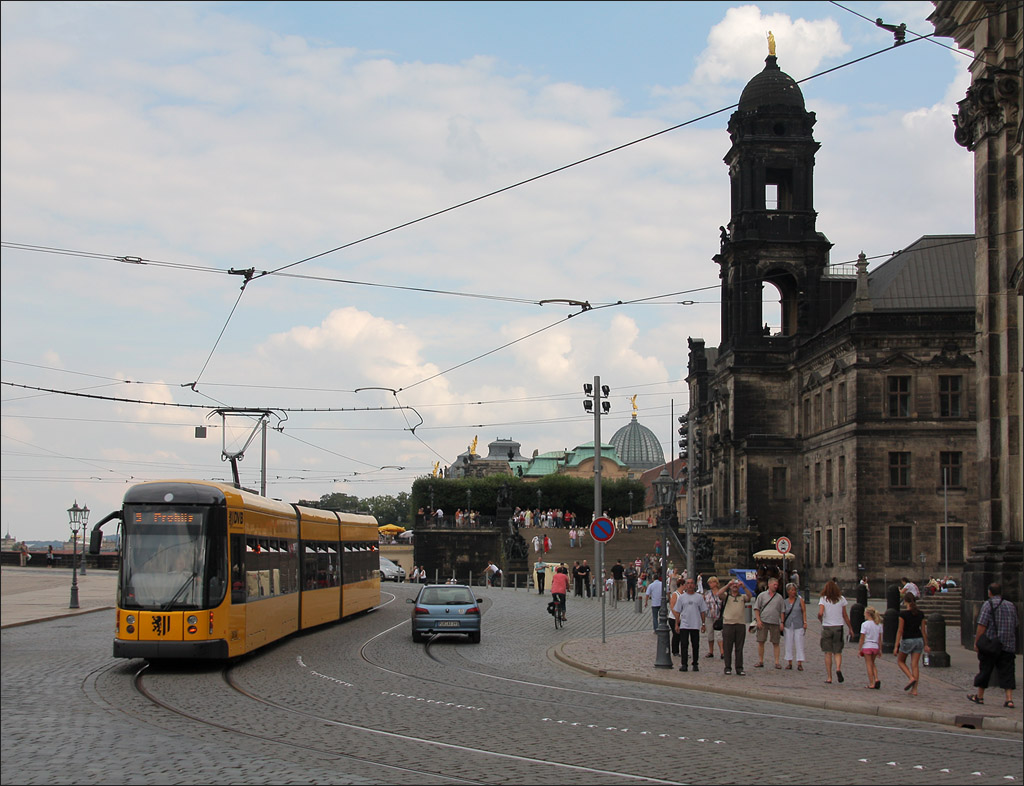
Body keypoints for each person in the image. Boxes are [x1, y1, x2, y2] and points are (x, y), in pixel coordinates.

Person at [968, 582, 1018, 708]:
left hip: (991, 645)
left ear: (989, 592)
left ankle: (979, 697)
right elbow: (1015, 623)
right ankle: (1009, 699)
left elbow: (982, 625)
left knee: (985, 670)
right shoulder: (1011, 605)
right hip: (1008, 644)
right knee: (1008, 672)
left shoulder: (988, 604)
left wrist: (977, 642)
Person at [817, 579, 853, 684]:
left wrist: (820, 619)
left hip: (827, 627)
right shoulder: (841, 599)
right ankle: (838, 668)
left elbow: (820, 613)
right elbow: (845, 615)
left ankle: (829, 677)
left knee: (828, 652)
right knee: (837, 651)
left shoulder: (823, 599)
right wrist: (850, 628)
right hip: (838, 627)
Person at [894, 592, 929, 696]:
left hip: (908, 640)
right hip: (919, 640)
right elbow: (923, 631)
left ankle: (910, 677)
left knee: (900, 661)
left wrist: (896, 645)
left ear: (905, 601)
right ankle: (914, 690)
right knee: (915, 665)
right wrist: (926, 644)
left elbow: (900, 630)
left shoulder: (903, 615)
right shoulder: (920, 614)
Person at [718, 578, 752, 675]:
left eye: (736, 585)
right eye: (733, 585)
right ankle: (727, 667)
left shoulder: (742, 597)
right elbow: (719, 594)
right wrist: (728, 585)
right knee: (727, 648)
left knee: (739, 648)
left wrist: (744, 587)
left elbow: (750, 596)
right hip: (728, 624)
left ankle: (739, 668)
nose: (735, 586)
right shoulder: (726, 596)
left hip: (740, 624)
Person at [674, 577, 708, 671]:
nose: (689, 585)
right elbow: (677, 611)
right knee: (684, 644)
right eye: (688, 583)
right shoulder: (681, 597)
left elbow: (702, 611)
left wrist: (703, 624)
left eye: (691, 583)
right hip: (684, 624)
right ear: (685, 585)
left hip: (695, 624)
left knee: (695, 645)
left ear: (694, 585)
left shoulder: (699, 597)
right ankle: (684, 664)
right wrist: (677, 624)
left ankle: (695, 663)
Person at [754, 577, 784, 669]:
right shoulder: (762, 596)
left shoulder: (779, 597)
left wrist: (782, 622)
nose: (776, 586)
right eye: (774, 585)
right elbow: (756, 609)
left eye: (777, 585)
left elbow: (782, 611)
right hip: (763, 621)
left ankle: (777, 662)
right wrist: (758, 620)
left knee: (776, 642)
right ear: (769, 584)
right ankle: (761, 661)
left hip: (775, 622)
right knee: (761, 641)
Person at [782, 581, 807, 670]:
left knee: (799, 642)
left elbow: (804, 611)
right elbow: (783, 613)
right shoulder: (784, 602)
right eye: (792, 590)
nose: (793, 592)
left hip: (798, 624)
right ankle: (789, 661)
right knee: (788, 642)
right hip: (788, 624)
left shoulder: (800, 600)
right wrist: (781, 622)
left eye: (794, 590)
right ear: (788, 591)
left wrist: (805, 622)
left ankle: (799, 662)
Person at [858, 606, 884, 689]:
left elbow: (862, 638)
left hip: (867, 645)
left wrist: (859, 649)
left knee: (869, 664)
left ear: (868, 614)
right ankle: (876, 678)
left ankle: (871, 683)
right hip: (875, 646)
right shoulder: (878, 625)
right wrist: (880, 649)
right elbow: (880, 639)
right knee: (873, 664)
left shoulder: (864, 624)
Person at [703, 576, 725, 660]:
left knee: (719, 634)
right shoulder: (707, 593)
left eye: (712, 582)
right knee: (710, 634)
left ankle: (722, 652)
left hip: (718, 616)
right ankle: (711, 651)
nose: (710, 584)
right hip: (709, 615)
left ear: (716, 583)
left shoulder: (721, 592)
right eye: (709, 583)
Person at [668, 577, 684, 658]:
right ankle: (675, 651)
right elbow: (672, 606)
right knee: (676, 634)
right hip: (673, 618)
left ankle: (682, 651)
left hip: (682, 618)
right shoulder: (675, 594)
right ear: (681, 585)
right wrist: (677, 616)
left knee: (682, 635)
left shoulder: (684, 594)